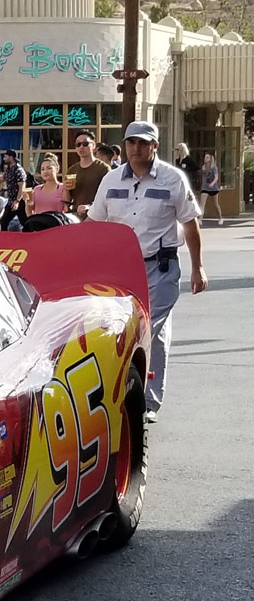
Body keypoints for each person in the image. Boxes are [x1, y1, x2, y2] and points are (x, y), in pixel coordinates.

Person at [87, 121, 207, 423]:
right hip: (120, 269)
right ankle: (141, 395)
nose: (136, 149)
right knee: (148, 333)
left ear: (155, 146)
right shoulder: (111, 179)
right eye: (131, 143)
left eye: (143, 143)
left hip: (160, 267)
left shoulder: (172, 179)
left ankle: (140, 401)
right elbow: (94, 226)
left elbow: (190, 224)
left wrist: (198, 268)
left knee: (145, 328)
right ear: (125, 145)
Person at [62, 129, 111, 220]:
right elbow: (66, 201)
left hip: (97, 217)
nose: (81, 147)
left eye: (85, 144)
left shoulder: (103, 168)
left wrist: (89, 206)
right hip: (76, 217)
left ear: (94, 146)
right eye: (78, 144)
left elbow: (108, 196)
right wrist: (65, 189)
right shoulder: (72, 170)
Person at [0, 149, 28, 231]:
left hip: (19, 201)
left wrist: (17, 201)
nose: (4, 158)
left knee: (24, 222)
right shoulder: (9, 169)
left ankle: (29, 238)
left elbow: (22, 186)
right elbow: (2, 178)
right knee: (4, 222)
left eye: (5, 156)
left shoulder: (19, 170)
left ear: (11, 157)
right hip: (11, 201)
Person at [200, 151, 224, 225]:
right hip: (205, 187)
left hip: (213, 188)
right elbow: (203, 177)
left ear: (210, 159)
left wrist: (212, 183)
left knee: (215, 204)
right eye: (205, 157)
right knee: (202, 204)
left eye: (207, 157)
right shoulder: (203, 167)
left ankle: (220, 218)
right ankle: (200, 219)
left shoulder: (214, 167)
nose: (205, 159)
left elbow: (216, 177)